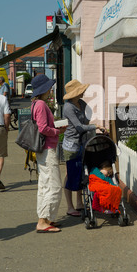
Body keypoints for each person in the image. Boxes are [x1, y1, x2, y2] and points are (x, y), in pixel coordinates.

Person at [62, 79, 106, 216]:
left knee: (81, 172)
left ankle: (79, 202)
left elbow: (86, 118)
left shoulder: (81, 104)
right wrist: (96, 126)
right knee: (70, 174)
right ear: (75, 93)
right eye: (81, 91)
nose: (84, 92)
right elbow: (80, 127)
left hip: (82, 143)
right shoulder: (68, 107)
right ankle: (70, 207)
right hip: (71, 145)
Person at [31, 74, 67, 233]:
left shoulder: (35, 104)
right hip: (47, 149)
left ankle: (46, 219)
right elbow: (43, 129)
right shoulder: (41, 105)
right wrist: (58, 131)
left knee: (45, 185)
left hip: (42, 150)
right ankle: (43, 221)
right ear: (44, 89)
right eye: (49, 87)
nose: (51, 89)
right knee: (54, 186)